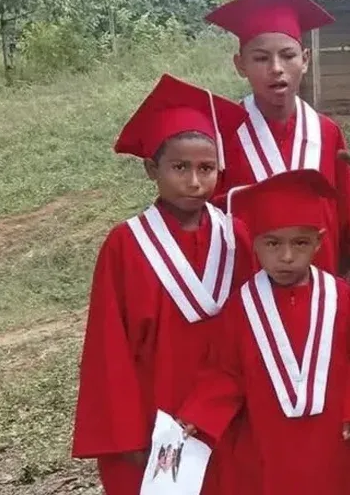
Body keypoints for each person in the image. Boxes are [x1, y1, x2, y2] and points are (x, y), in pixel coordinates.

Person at [70, 73, 257, 495]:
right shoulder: (126, 245)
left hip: (230, 413)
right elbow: (107, 348)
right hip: (156, 420)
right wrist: (128, 436)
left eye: (206, 168)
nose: (194, 181)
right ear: (152, 168)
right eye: (180, 168)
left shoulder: (237, 236)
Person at [177, 169, 350, 495]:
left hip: (329, 436)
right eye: (272, 243)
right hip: (266, 436)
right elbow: (225, 371)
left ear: (319, 241)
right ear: (255, 243)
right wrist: (200, 413)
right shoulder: (242, 306)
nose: (286, 257)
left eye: (300, 243)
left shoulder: (341, 298)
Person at [204, 0, 350, 274]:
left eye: (288, 56)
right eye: (261, 58)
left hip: (317, 293)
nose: (276, 68)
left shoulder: (327, 133)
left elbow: (348, 212)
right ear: (240, 65)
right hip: (246, 296)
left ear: (305, 60)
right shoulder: (221, 133)